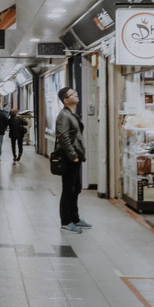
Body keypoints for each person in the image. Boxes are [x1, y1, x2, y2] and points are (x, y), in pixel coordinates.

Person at [55, 87, 89, 234]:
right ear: (66, 100)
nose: (76, 94)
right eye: (72, 94)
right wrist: (72, 155)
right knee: (68, 189)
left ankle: (75, 218)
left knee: (75, 189)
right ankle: (66, 221)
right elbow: (63, 137)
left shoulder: (71, 114)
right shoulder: (64, 115)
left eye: (76, 92)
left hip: (76, 157)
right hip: (69, 158)